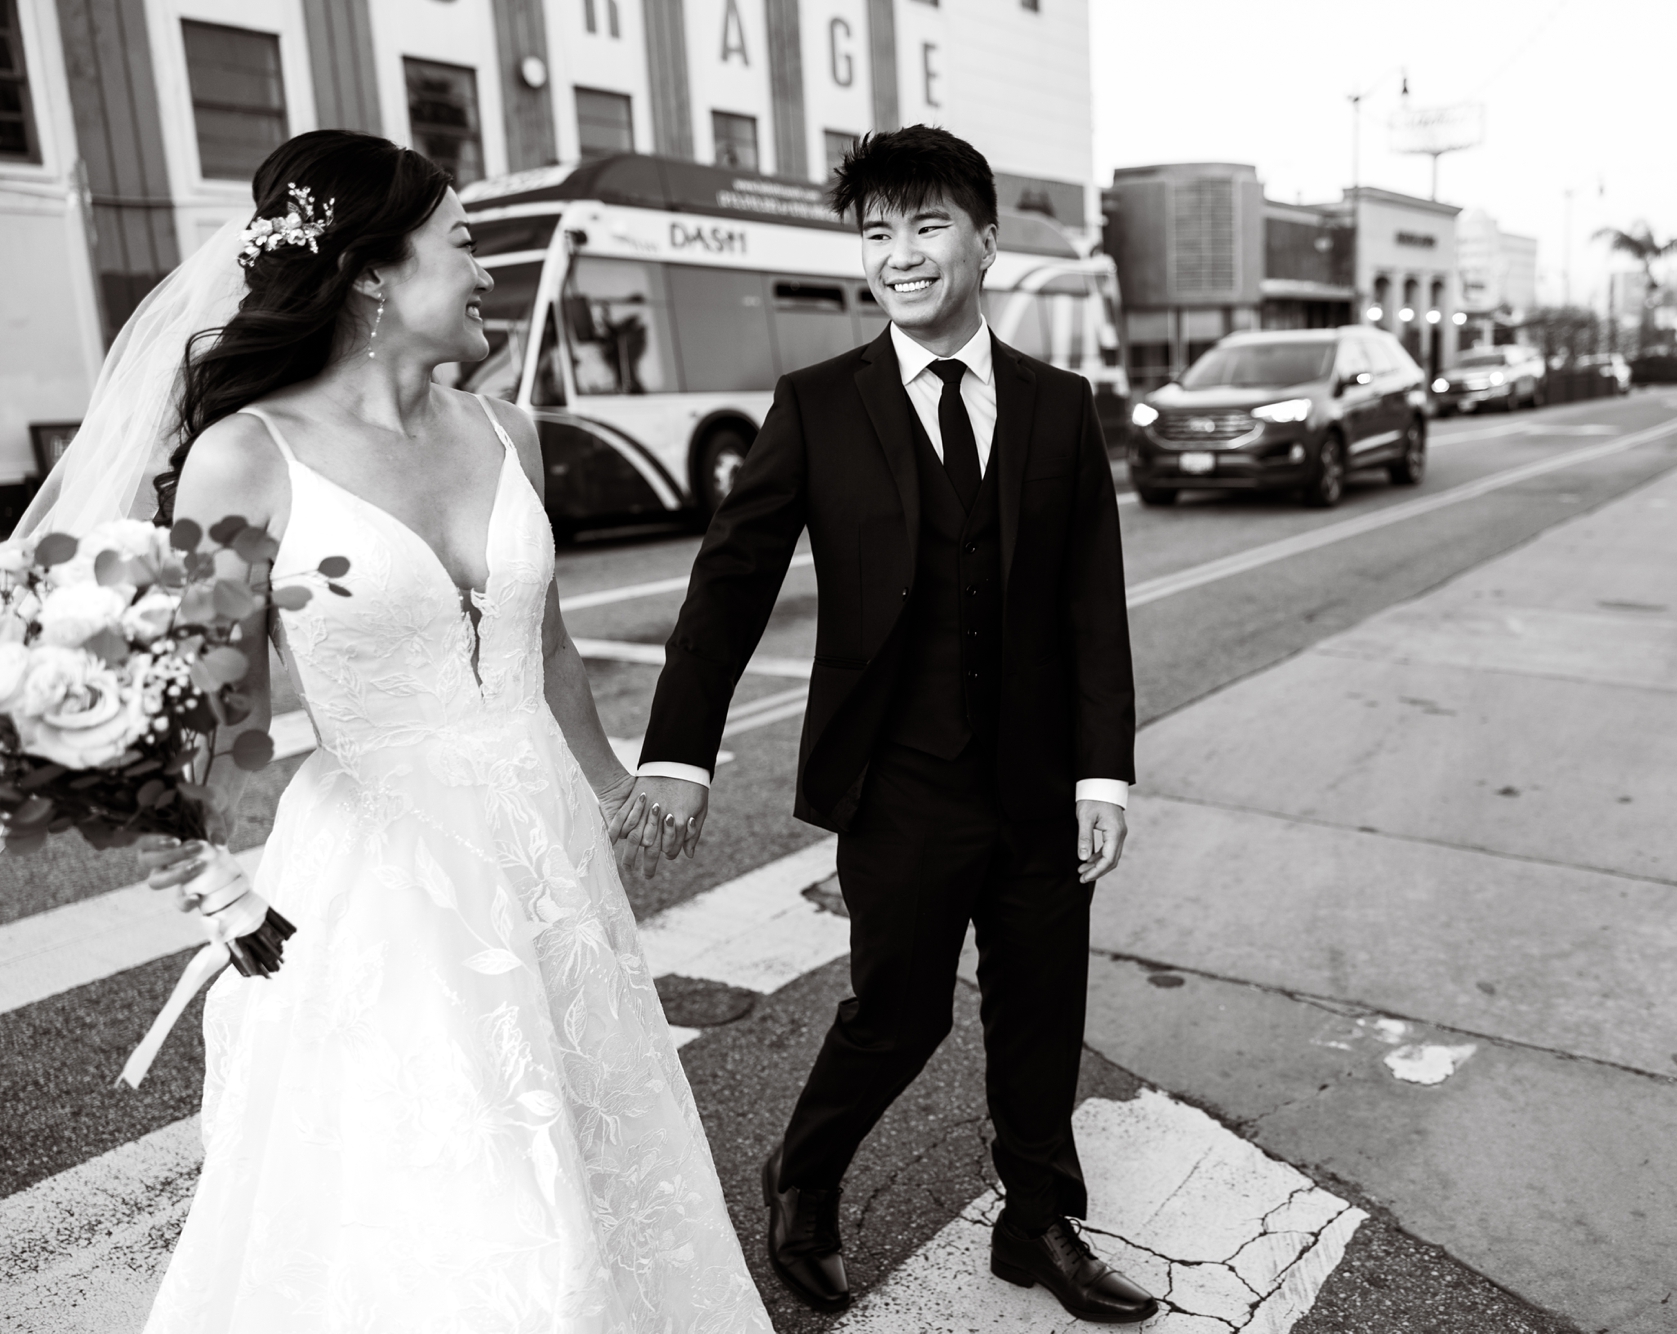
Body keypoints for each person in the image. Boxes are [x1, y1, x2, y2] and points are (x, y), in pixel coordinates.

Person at [33, 130, 772, 1331]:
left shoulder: (509, 431)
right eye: (465, 242)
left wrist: (609, 783)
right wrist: (217, 879)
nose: (485, 271)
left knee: (584, 1124)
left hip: (541, 843)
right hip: (382, 876)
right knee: (457, 1174)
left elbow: (548, 648)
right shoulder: (243, 457)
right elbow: (218, 713)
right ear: (373, 270)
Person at [625, 126, 1158, 1325]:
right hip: (898, 779)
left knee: (1041, 1007)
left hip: (1035, 784)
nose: (900, 255)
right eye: (875, 233)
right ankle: (802, 1173)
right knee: (899, 1008)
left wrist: (1102, 778)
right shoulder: (816, 407)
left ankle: (1037, 1221)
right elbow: (729, 583)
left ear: (982, 237)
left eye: (924, 226)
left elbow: (1091, 606)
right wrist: (678, 750)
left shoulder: (1060, 408)